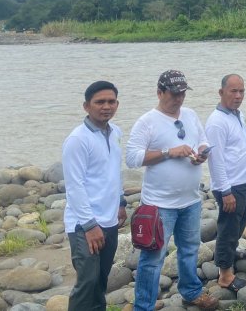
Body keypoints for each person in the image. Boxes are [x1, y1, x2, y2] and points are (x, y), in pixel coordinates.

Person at [125, 70, 217, 311]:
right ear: (159, 92)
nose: (179, 99)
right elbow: (132, 158)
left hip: (190, 200)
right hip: (159, 204)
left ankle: (191, 292)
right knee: (153, 259)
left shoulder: (190, 114)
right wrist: (168, 152)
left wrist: (202, 154)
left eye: (183, 93)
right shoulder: (147, 121)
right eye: (174, 94)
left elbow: (203, 139)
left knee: (189, 250)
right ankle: (143, 306)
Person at [63, 80, 127, 311]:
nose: (106, 106)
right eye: (100, 102)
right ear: (86, 106)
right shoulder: (78, 139)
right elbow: (74, 186)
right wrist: (90, 226)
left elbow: (114, 171)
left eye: (111, 102)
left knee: (101, 279)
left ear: (117, 104)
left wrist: (121, 202)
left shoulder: (115, 132)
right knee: (87, 282)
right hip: (84, 224)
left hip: (109, 220)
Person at [205, 74, 246, 292]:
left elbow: (242, 147)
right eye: (233, 91)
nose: (238, 96)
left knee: (241, 221)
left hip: (244, 182)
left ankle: (227, 254)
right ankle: (225, 274)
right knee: (228, 228)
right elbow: (215, 160)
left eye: (241, 91)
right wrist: (225, 191)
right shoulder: (216, 122)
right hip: (230, 186)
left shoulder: (237, 114)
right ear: (221, 92)